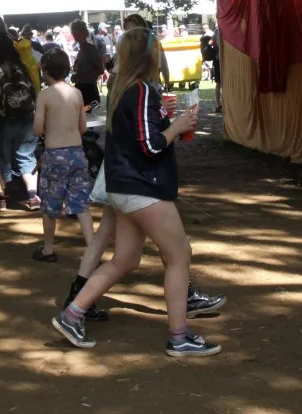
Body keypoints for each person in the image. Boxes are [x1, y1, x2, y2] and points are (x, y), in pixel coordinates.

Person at [52, 28, 220, 357]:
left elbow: (141, 133)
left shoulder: (126, 89)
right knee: (179, 254)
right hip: (142, 186)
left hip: (126, 186)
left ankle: (72, 314)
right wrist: (178, 126)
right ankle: (179, 336)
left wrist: (166, 118)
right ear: (150, 56)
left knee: (125, 260)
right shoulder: (140, 91)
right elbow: (150, 145)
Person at [32, 49, 94, 262]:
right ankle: (93, 251)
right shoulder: (76, 93)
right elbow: (83, 128)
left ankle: (48, 248)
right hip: (77, 153)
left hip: (54, 155)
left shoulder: (45, 95)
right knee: (81, 203)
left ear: (45, 70)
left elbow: (37, 128)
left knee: (50, 203)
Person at [0, 15, 40, 211]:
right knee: (27, 154)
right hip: (26, 109)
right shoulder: (18, 49)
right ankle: (33, 196)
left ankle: (2, 200)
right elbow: (36, 67)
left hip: (0, 113)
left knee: (3, 155)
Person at [70, 20, 104, 106]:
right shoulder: (81, 48)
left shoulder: (90, 49)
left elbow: (100, 70)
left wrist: (80, 76)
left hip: (89, 89)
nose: (74, 34)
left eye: (76, 31)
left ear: (82, 32)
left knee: (88, 117)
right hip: (82, 89)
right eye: (73, 31)